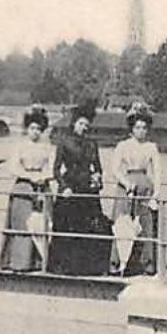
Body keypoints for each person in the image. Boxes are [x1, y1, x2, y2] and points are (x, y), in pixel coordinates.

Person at [47, 100, 111, 276]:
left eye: (86, 125)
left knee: (89, 227)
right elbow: (56, 169)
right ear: (74, 124)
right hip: (70, 189)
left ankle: (88, 267)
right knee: (68, 227)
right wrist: (64, 186)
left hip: (88, 190)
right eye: (81, 123)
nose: (84, 127)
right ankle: (66, 267)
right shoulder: (64, 142)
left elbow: (98, 167)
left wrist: (97, 178)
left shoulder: (92, 144)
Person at [0, 106, 53, 272]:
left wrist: (43, 176)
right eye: (32, 128)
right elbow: (13, 167)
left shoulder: (47, 147)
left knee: (43, 223)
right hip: (24, 185)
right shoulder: (20, 146)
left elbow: (51, 166)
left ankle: (39, 262)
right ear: (27, 129)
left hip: (42, 186)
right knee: (22, 224)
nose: (35, 132)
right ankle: (19, 262)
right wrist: (30, 177)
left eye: (38, 129)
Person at [111, 106, 162, 276]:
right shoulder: (123, 145)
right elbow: (115, 169)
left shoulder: (151, 147)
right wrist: (125, 183)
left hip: (145, 185)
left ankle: (147, 262)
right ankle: (117, 263)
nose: (141, 131)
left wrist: (156, 194)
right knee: (122, 223)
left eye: (144, 128)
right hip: (126, 186)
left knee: (146, 223)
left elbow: (158, 171)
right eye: (138, 127)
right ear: (132, 129)